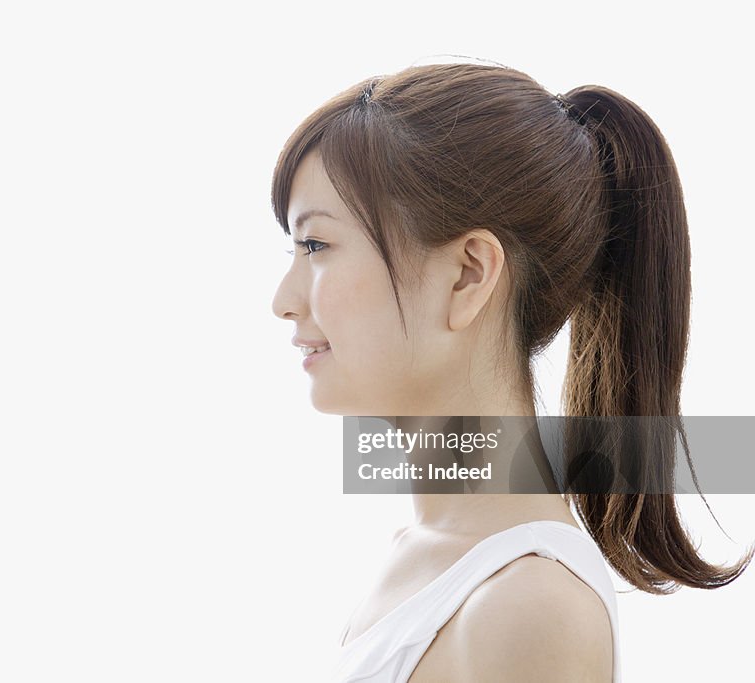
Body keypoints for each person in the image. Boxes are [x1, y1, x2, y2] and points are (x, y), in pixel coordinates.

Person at [269, 62, 752, 683]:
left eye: (316, 247)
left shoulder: (527, 606)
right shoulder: (423, 561)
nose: (283, 299)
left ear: (469, 275)